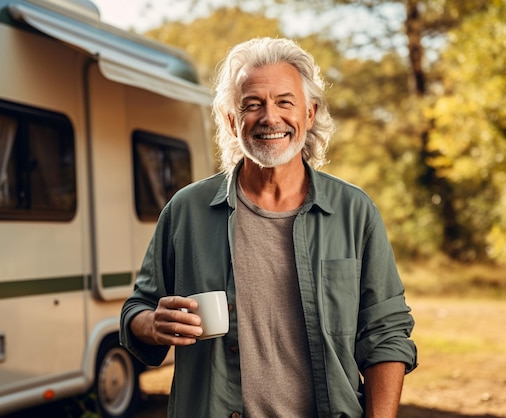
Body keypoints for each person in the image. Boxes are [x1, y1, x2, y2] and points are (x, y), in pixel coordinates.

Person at [120, 37, 417, 418]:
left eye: (284, 102)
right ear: (231, 120)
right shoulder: (186, 210)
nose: (269, 117)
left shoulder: (354, 211)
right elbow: (137, 309)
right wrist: (153, 323)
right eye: (252, 104)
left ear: (309, 114)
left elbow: (386, 332)